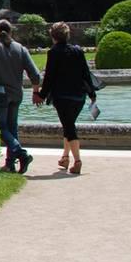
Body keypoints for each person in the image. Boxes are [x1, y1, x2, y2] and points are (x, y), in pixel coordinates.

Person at [34, 21, 96, 175]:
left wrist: (41, 95)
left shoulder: (54, 52)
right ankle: (65, 158)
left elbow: (49, 77)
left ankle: (77, 161)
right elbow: (86, 74)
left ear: (52, 36)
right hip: (79, 96)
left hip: (62, 97)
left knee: (69, 127)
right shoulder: (78, 51)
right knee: (69, 125)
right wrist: (92, 94)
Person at [0, 19, 41, 173]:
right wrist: (35, 91)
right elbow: (35, 74)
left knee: (1, 127)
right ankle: (10, 164)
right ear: (11, 31)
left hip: (0, 93)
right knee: (12, 127)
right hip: (17, 93)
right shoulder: (20, 49)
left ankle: (21, 154)